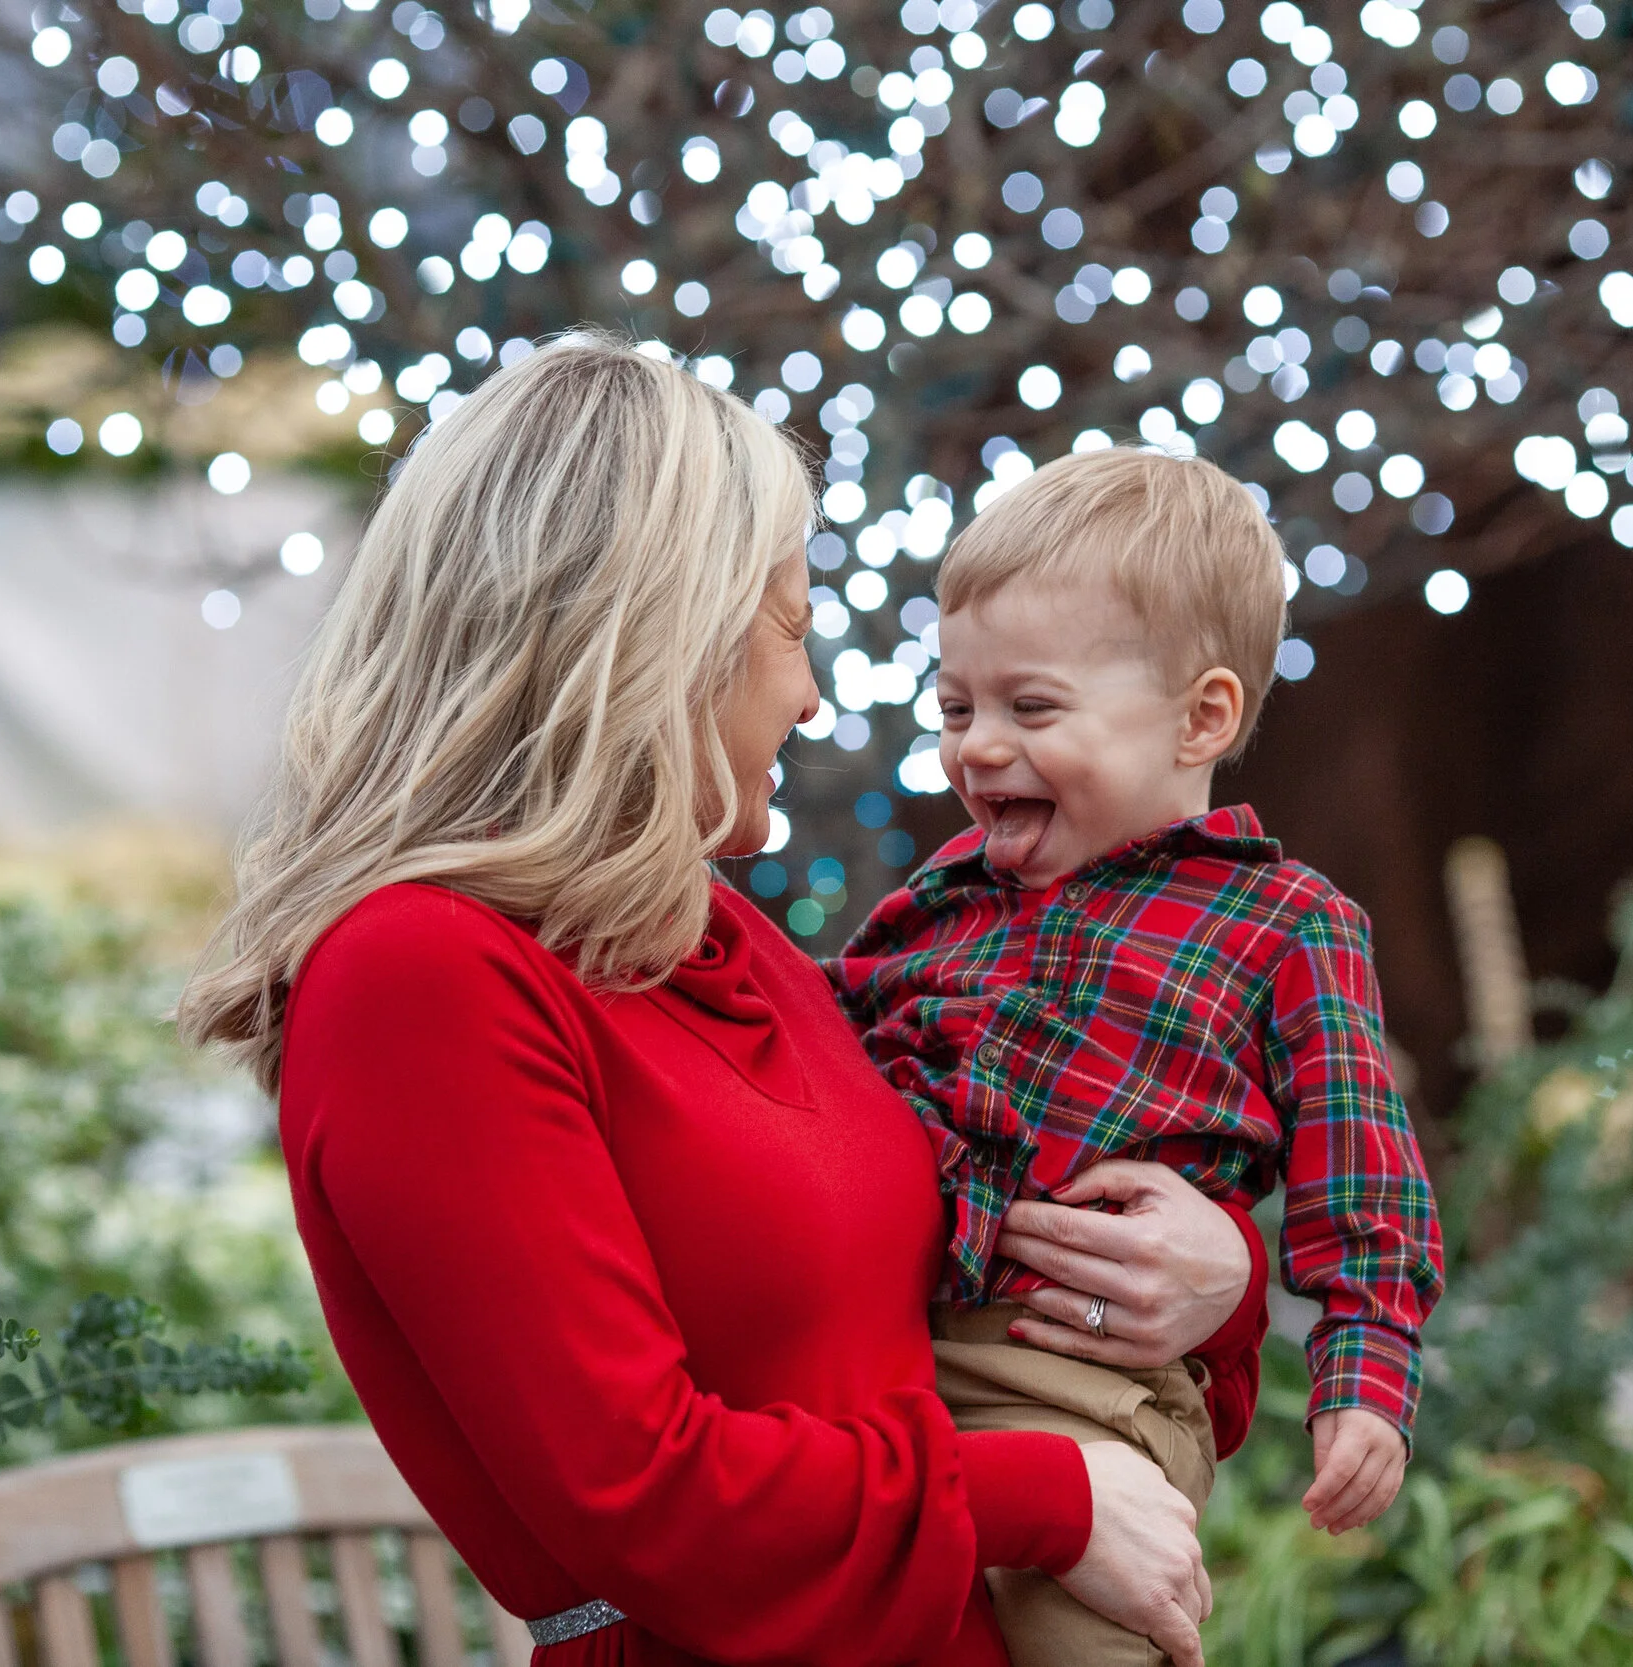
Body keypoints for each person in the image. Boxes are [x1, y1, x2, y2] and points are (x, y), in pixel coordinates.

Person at [179, 339, 1260, 1665]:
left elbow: (972, 1253)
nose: (810, 695)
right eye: (793, 628)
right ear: (658, 635)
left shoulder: (727, 940)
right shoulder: (418, 975)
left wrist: (1212, 1278)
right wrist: (1046, 1495)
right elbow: (640, 1496)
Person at [825, 449, 1445, 1667]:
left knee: (1087, 1640)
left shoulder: (1286, 925)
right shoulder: (934, 901)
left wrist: (1364, 1378)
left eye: (1031, 708)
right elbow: (814, 1052)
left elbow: (1363, 1180)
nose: (977, 748)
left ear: (1200, 716)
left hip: (1085, 1386)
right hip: (889, 1368)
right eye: (956, 709)